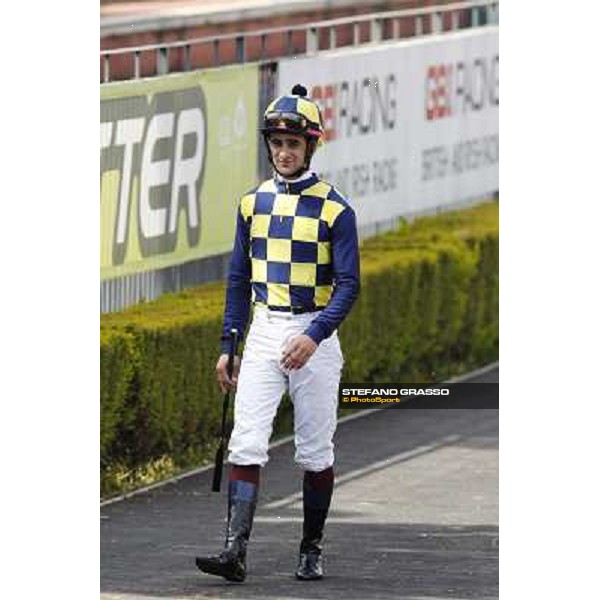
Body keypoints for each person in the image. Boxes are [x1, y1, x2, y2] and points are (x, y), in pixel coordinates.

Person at [195, 84, 360, 583]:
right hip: (266, 330)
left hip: (314, 335)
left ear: (310, 147)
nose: (284, 152)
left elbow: (349, 285)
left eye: (294, 144)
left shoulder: (336, 209)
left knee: (315, 450)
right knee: (246, 442)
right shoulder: (252, 204)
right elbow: (239, 279)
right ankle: (234, 553)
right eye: (277, 143)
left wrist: (314, 335)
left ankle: (311, 549)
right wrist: (229, 343)